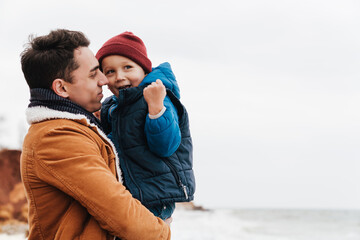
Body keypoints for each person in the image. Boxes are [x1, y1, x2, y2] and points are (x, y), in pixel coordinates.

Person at [20, 29, 171, 240]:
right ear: (61, 88)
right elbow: (118, 210)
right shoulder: (56, 137)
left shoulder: (81, 127)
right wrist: (162, 231)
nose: (104, 80)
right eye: (93, 74)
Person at [95, 32, 195, 222]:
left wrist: (157, 109)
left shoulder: (158, 97)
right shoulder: (113, 107)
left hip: (155, 197)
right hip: (129, 195)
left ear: (144, 70)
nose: (119, 76)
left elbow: (166, 146)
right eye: (110, 71)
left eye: (127, 67)